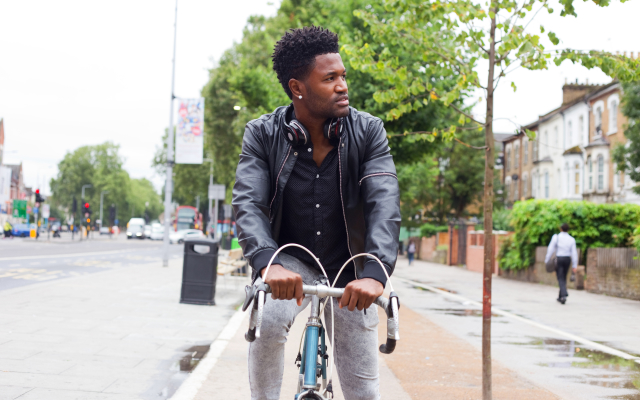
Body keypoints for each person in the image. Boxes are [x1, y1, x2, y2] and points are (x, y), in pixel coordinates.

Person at [232, 26, 400, 400]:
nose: (343, 85)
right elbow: (249, 203)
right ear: (298, 87)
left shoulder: (369, 131)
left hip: (351, 266)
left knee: (364, 392)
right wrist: (266, 263)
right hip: (289, 263)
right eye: (330, 78)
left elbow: (383, 204)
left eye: (343, 76)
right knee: (269, 322)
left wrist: (375, 274)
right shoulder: (261, 134)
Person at [544, 223, 578, 304]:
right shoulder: (571, 239)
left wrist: (547, 259)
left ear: (561, 229)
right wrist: (574, 265)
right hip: (567, 259)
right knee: (564, 276)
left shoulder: (556, 237)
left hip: (559, 259)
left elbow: (551, 249)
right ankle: (561, 296)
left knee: (560, 277)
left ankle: (563, 294)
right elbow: (574, 253)